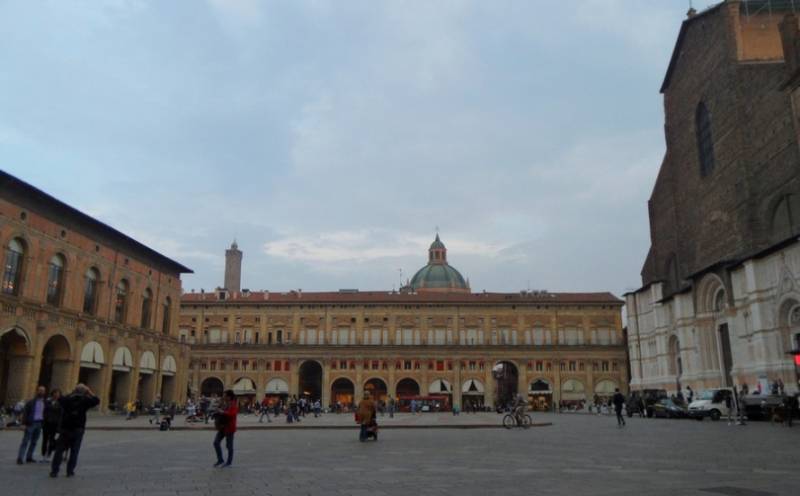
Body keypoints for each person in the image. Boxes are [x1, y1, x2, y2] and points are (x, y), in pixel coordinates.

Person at [49, 383, 100, 477]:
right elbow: (97, 400)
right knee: (74, 451)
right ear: (85, 392)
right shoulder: (85, 400)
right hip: (78, 429)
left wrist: (71, 392)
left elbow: (60, 399)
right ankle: (70, 471)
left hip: (65, 428)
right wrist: (89, 392)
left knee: (59, 450)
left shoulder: (68, 399)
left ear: (74, 390)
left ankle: (54, 471)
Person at [17, 385, 47, 464]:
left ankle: (29, 457)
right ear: (37, 391)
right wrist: (23, 423)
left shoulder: (45, 402)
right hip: (31, 423)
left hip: (39, 423)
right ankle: (20, 458)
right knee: (25, 441)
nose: (41, 392)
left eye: (43, 390)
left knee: (34, 442)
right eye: (40, 390)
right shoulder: (31, 402)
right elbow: (25, 413)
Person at [212, 390, 238, 468]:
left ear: (229, 397)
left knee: (229, 446)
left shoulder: (233, 404)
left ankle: (229, 462)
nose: (223, 397)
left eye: (225, 395)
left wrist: (222, 412)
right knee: (216, 442)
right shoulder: (223, 403)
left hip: (229, 427)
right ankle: (220, 460)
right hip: (222, 427)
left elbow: (232, 414)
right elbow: (218, 409)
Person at [41, 389, 62, 462]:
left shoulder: (60, 403)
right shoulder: (47, 402)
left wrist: (59, 426)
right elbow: (44, 411)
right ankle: (43, 454)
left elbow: (60, 415)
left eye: (58, 393)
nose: (56, 395)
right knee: (45, 439)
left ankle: (49, 454)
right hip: (47, 423)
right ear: (52, 394)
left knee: (52, 440)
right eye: (55, 393)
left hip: (54, 424)